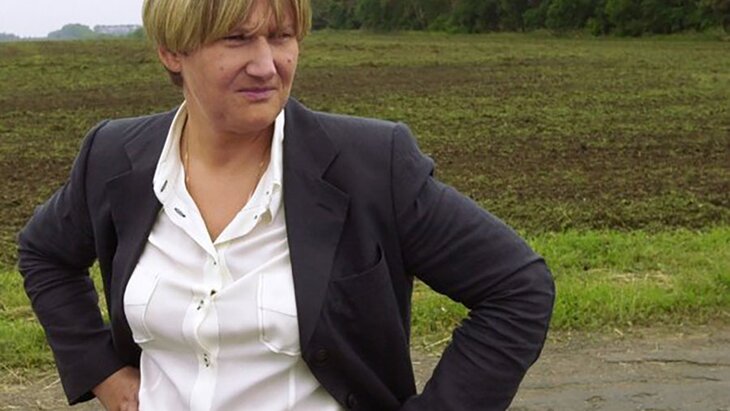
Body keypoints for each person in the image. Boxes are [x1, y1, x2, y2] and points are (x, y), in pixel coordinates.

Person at [17, 0, 555, 409]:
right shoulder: (114, 157)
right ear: (172, 52)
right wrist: (104, 374)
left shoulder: (371, 165)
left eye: (281, 36)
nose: (266, 65)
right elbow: (45, 253)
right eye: (237, 39)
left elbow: (517, 286)